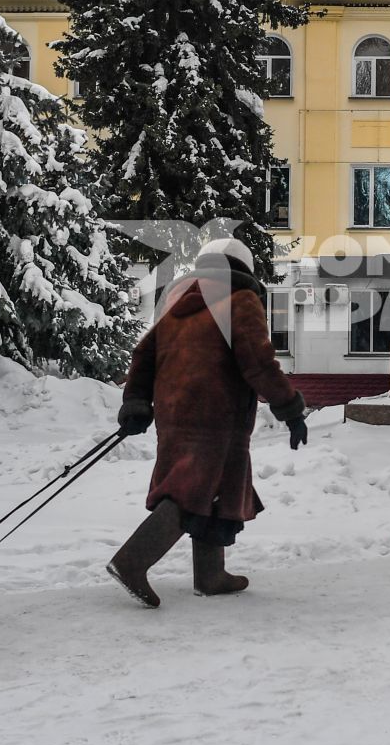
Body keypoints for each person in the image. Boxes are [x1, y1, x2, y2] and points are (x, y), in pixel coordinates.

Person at [108, 238, 308, 608]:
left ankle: (210, 576)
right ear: (242, 269)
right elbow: (258, 362)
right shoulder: (240, 299)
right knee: (193, 492)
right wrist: (290, 407)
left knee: (212, 488)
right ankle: (131, 561)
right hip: (217, 415)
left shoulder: (177, 304)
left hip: (175, 413)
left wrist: (136, 401)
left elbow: (143, 354)